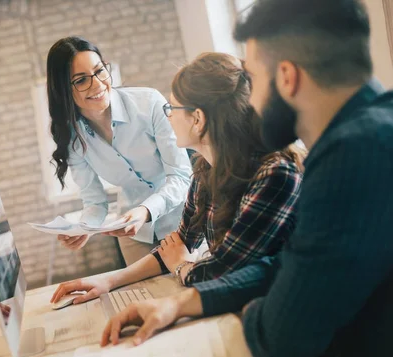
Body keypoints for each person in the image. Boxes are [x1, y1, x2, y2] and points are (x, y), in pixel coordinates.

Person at [100, 1, 393, 356]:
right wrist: (183, 303)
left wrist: (242, 305)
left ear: (287, 77)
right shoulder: (370, 130)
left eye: (253, 80)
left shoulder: (353, 154)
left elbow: (281, 333)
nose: (248, 99)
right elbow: (283, 265)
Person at [51, 52, 304, 305]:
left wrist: (181, 265)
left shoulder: (274, 175)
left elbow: (220, 272)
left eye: (172, 108)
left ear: (197, 119)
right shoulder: (205, 172)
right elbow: (179, 244)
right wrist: (108, 280)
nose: (167, 115)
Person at [46, 36, 192, 265]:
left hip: (186, 219)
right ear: (63, 89)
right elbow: (94, 201)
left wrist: (146, 210)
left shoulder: (148, 102)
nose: (97, 84)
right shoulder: (73, 138)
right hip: (135, 234)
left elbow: (181, 175)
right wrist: (85, 228)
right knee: (142, 296)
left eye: (100, 71)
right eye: (81, 80)